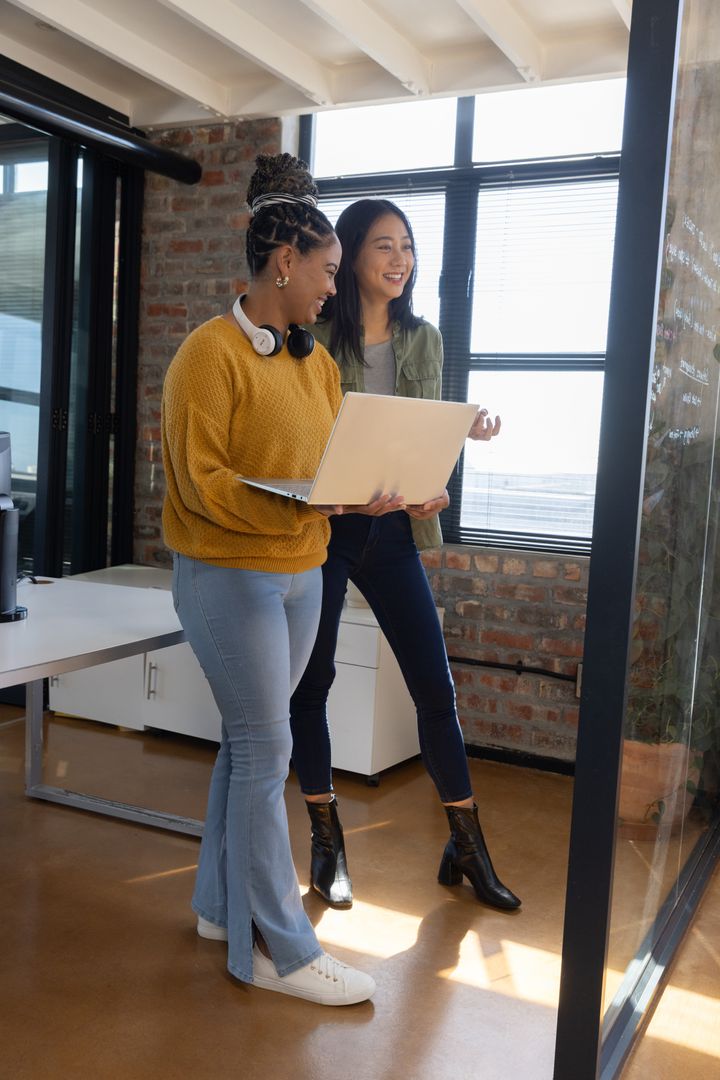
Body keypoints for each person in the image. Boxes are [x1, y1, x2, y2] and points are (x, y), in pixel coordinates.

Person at [161, 155, 395, 1006]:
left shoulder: (315, 365)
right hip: (227, 578)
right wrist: (306, 513)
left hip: (300, 576)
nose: (336, 288)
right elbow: (203, 485)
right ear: (284, 263)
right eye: (329, 272)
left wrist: (381, 485)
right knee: (269, 748)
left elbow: (332, 463)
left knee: (248, 743)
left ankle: (219, 908)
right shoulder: (208, 355)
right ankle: (282, 950)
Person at [289, 198, 521, 913]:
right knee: (313, 682)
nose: (400, 260)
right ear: (351, 254)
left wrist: (442, 473)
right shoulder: (314, 338)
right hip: (327, 529)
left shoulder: (425, 338)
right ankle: (327, 842)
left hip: (394, 534)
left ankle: (466, 845)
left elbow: (424, 437)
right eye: (384, 246)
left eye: (408, 247)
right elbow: (301, 444)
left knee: (434, 686)